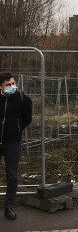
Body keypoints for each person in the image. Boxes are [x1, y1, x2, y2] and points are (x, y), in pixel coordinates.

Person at [0, 73, 32, 221]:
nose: (12, 86)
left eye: (13, 83)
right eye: (8, 84)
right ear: (1, 86)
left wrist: (17, 129)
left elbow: (27, 118)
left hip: (13, 142)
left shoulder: (21, 99)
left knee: (12, 175)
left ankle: (9, 207)